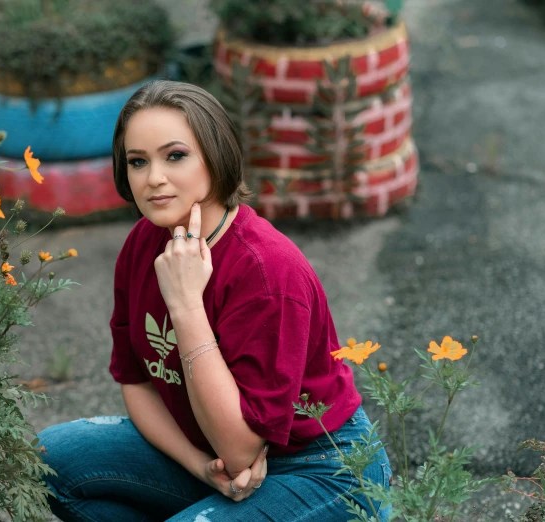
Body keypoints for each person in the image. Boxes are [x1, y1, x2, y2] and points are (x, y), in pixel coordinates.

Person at [37, 80, 392, 522]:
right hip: (210, 452)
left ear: (215, 156)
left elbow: (242, 451)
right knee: (47, 460)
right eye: (137, 162)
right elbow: (138, 382)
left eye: (175, 156)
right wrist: (199, 468)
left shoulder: (266, 271)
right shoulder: (143, 244)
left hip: (321, 469)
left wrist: (185, 305)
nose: (154, 178)